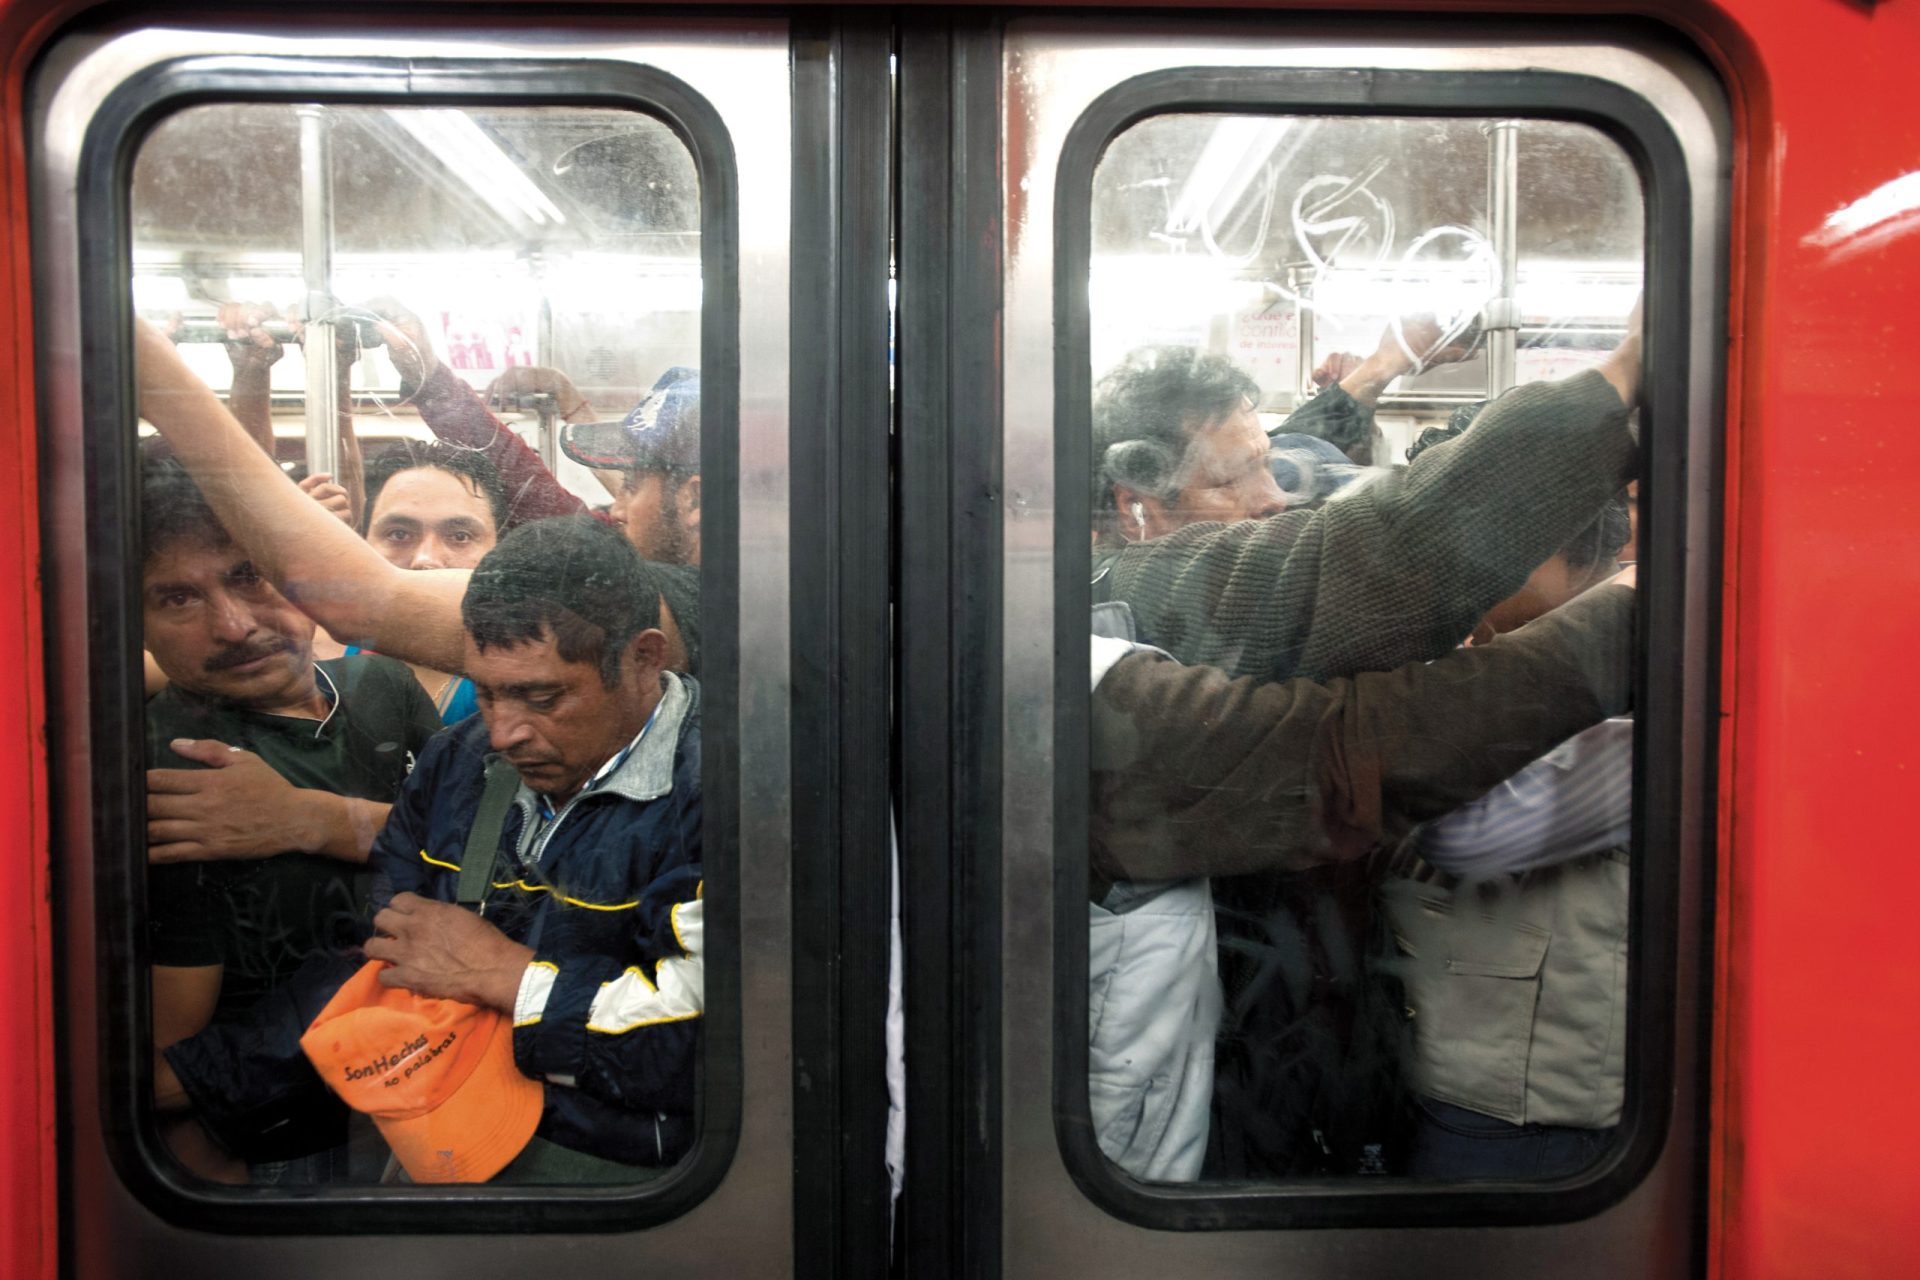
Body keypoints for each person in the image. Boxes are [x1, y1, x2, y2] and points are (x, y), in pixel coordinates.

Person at [158, 516, 703, 1182]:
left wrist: (509, 976)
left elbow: (713, 1040)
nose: (503, 732)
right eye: (488, 691)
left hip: (644, 1194)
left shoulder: (724, 794)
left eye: (540, 697)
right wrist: (206, 1085)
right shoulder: (459, 764)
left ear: (645, 658)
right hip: (446, 1144)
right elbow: (383, 968)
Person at [1082, 568, 1634, 1181]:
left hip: (1519, 1095)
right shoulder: (1118, 682)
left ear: (1587, 566)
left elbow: (1467, 832)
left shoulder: (1639, 693)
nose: (1270, 501)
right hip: (1421, 1057)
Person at [140, 455, 443, 1175]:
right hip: (286, 1156)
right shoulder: (173, 770)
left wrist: (304, 818)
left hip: (442, 1095)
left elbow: (489, 853)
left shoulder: (382, 685)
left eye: (249, 574)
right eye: (178, 599)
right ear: (135, 623)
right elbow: (162, 1078)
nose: (234, 624)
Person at [132, 316, 696, 679]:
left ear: (694, 501)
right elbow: (531, 488)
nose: (613, 507)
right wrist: (433, 384)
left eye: (634, 483)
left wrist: (156, 374)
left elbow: (363, 600)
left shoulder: (703, 607)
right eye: (398, 532)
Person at [350, 441, 512, 722]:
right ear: (362, 543)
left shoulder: (522, 674)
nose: (425, 560)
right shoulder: (325, 649)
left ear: (499, 550)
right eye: (398, 534)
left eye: (459, 536)